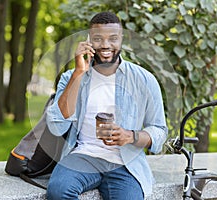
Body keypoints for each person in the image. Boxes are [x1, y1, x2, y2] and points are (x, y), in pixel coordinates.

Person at [46, 11, 167, 200]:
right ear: (88, 40)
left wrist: (131, 136)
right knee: (58, 190)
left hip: (125, 163)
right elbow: (56, 124)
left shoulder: (145, 80)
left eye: (113, 38)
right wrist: (78, 73)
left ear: (121, 40)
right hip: (83, 155)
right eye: (97, 39)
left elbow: (160, 131)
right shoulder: (71, 77)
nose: (105, 45)